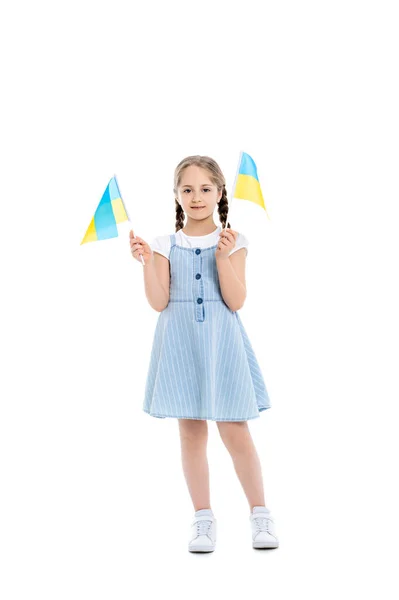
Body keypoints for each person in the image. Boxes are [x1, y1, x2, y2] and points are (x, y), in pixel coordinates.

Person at [129, 155, 279, 552]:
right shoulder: (164, 244)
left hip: (222, 342)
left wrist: (221, 257)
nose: (196, 197)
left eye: (205, 189)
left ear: (219, 192)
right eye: (187, 189)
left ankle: (260, 513)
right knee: (191, 432)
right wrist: (146, 262)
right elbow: (159, 302)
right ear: (177, 195)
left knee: (235, 431)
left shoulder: (234, 241)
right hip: (180, 343)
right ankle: (203, 519)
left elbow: (236, 300)